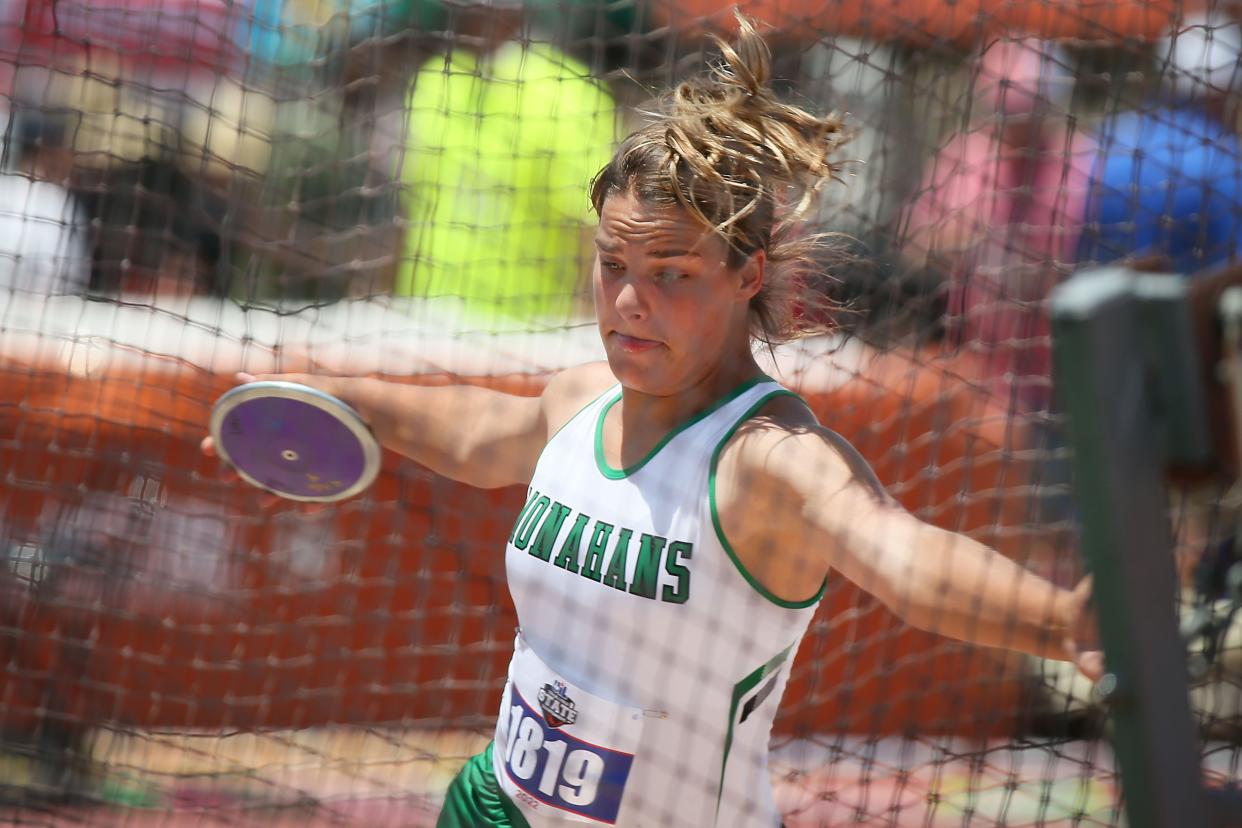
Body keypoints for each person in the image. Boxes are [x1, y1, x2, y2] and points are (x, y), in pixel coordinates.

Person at [203, 19, 1097, 827]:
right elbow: (478, 433)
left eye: (670, 274)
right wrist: (328, 398)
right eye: (610, 265)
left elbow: (906, 561)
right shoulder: (581, 400)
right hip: (495, 810)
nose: (629, 303)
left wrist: (1061, 622)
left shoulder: (767, 459)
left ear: (747, 275)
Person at [392, 0, 618, 325]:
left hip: (530, 327)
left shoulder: (570, 92)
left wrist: (582, 323)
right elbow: (411, 210)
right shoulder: (434, 81)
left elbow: (593, 227)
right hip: (428, 320)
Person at [0, 110, 91, 295]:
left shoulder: (5, 189)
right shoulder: (56, 201)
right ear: (44, 151)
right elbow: (70, 279)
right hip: (41, 313)